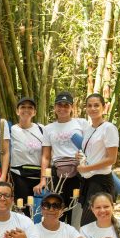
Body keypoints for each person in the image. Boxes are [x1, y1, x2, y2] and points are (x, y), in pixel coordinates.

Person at [35, 92, 84, 223]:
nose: (62, 108)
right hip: (58, 172)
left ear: (72, 107)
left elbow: (90, 146)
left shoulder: (81, 123)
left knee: (76, 208)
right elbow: (45, 156)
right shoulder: (48, 128)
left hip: (78, 171)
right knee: (57, 208)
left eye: (66, 105)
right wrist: (43, 180)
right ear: (55, 107)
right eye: (59, 105)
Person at [77, 94, 119, 225]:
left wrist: (87, 168)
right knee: (91, 225)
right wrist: (81, 158)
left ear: (104, 107)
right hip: (87, 180)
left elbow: (112, 159)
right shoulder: (89, 129)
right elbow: (92, 154)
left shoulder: (109, 128)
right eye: (89, 105)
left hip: (101, 181)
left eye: (96, 105)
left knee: (91, 222)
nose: (93, 108)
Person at [9, 97, 43, 217]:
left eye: (30, 107)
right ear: (17, 111)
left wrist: (44, 179)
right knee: (22, 210)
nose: (26, 110)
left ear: (34, 112)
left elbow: (47, 155)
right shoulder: (10, 129)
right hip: (19, 175)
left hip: (39, 176)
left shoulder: (41, 129)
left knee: (39, 211)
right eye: (23, 107)